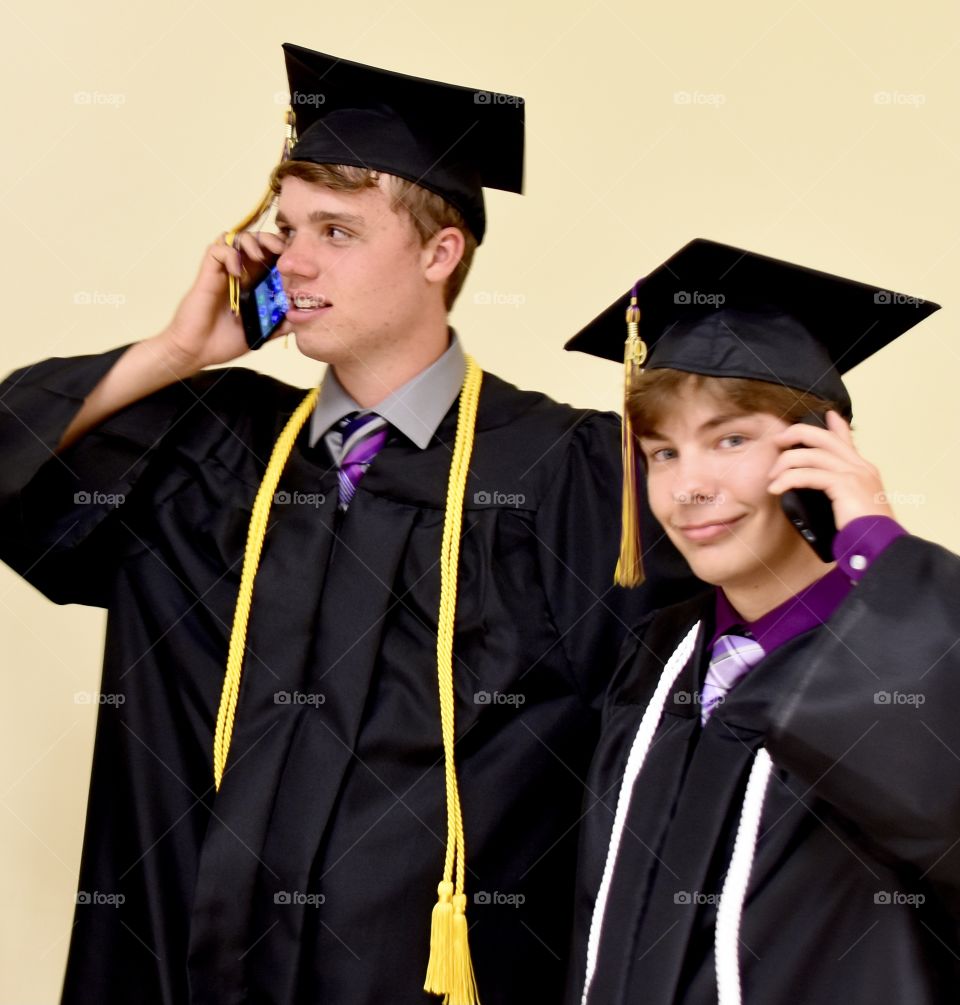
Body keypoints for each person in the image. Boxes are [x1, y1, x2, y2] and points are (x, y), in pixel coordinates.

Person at [0, 44, 696, 1005]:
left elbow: (676, 739)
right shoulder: (205, 451)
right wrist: (175, 350)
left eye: (337, 230)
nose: (294, 258)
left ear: (438, 252)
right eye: (285, 228)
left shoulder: (564, 475)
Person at [563, 238, 958, 1004]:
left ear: (824, 445)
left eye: (730, 440)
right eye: (663, 453)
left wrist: (877, 546)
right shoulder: (659, 658)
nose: (688, 487)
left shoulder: (897, 657)